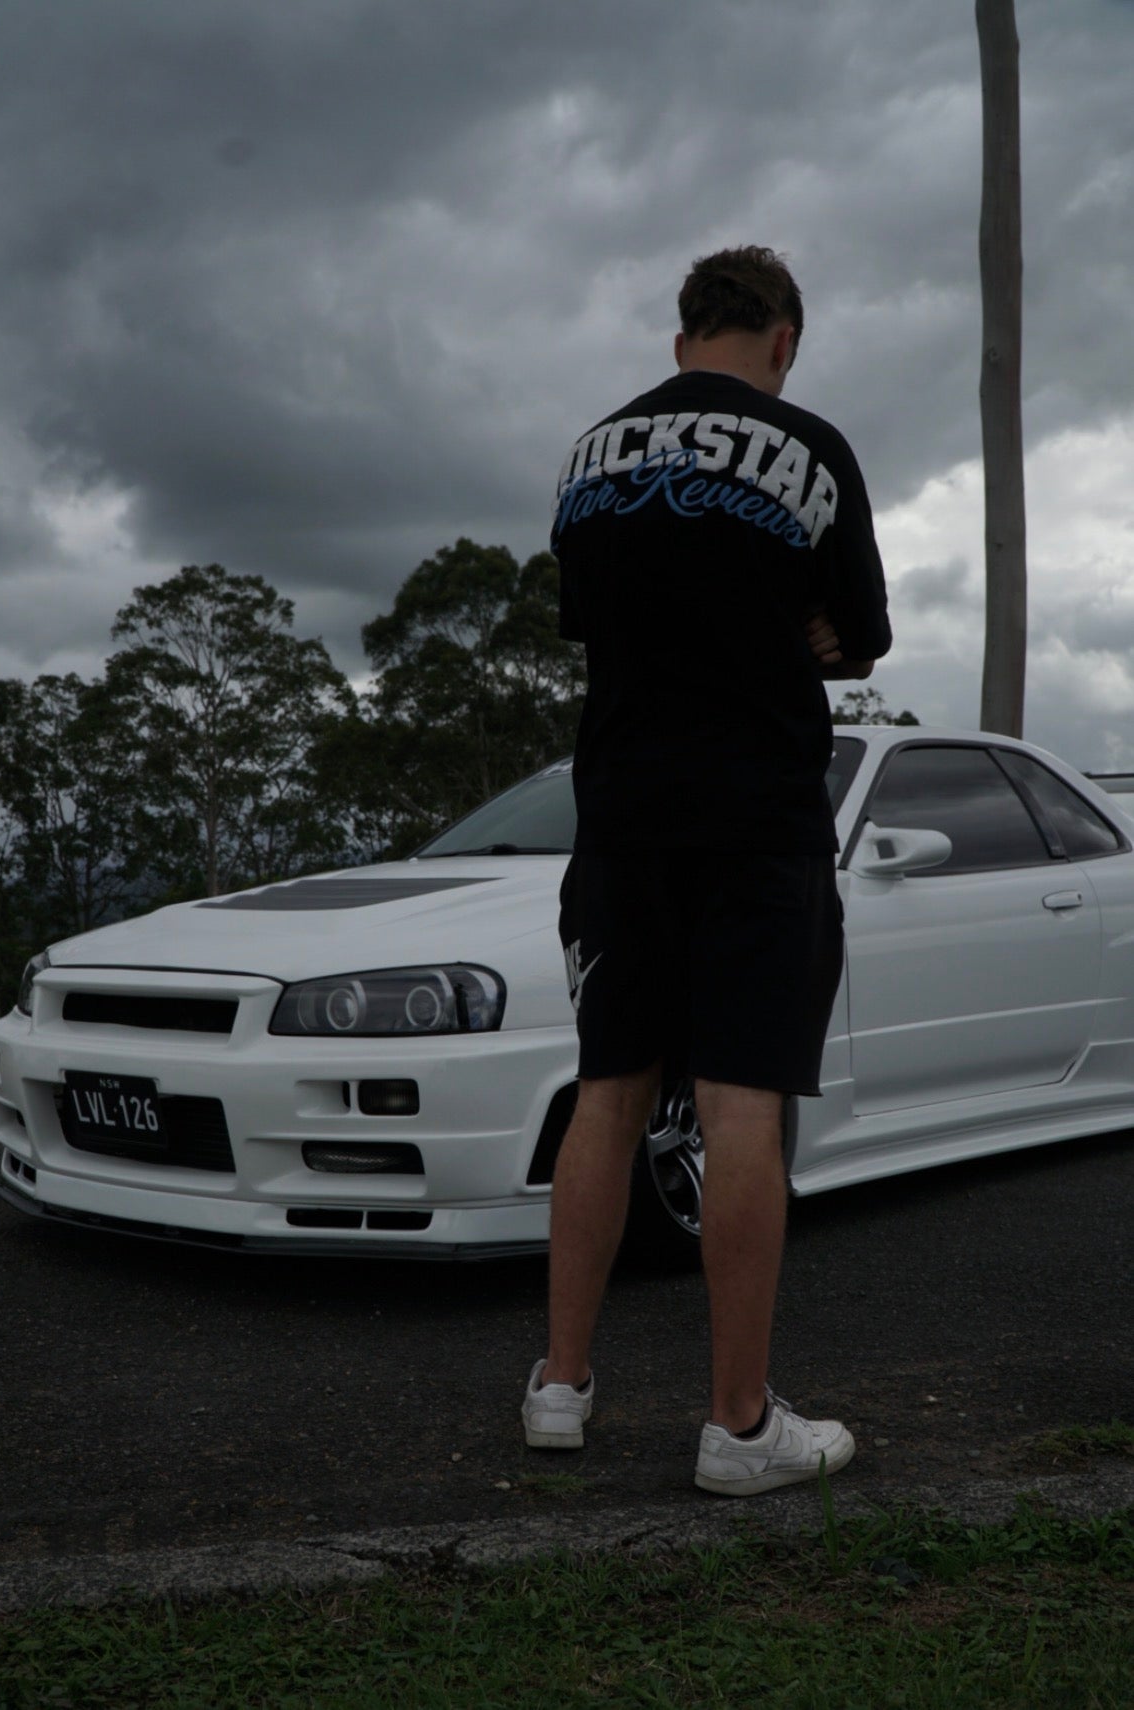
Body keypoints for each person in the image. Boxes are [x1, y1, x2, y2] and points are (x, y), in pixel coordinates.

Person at [521, 245, 892, 1495]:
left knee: (607, 1091)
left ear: (685, 337)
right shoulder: (812, 448)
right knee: (742, 1106)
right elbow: (861, 634)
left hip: (619, 815)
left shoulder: (588, 455)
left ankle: (560, 1384)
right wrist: (789, 623)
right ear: (783, 340)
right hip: (756, 818)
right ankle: (738, 1427)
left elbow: (595, 619)